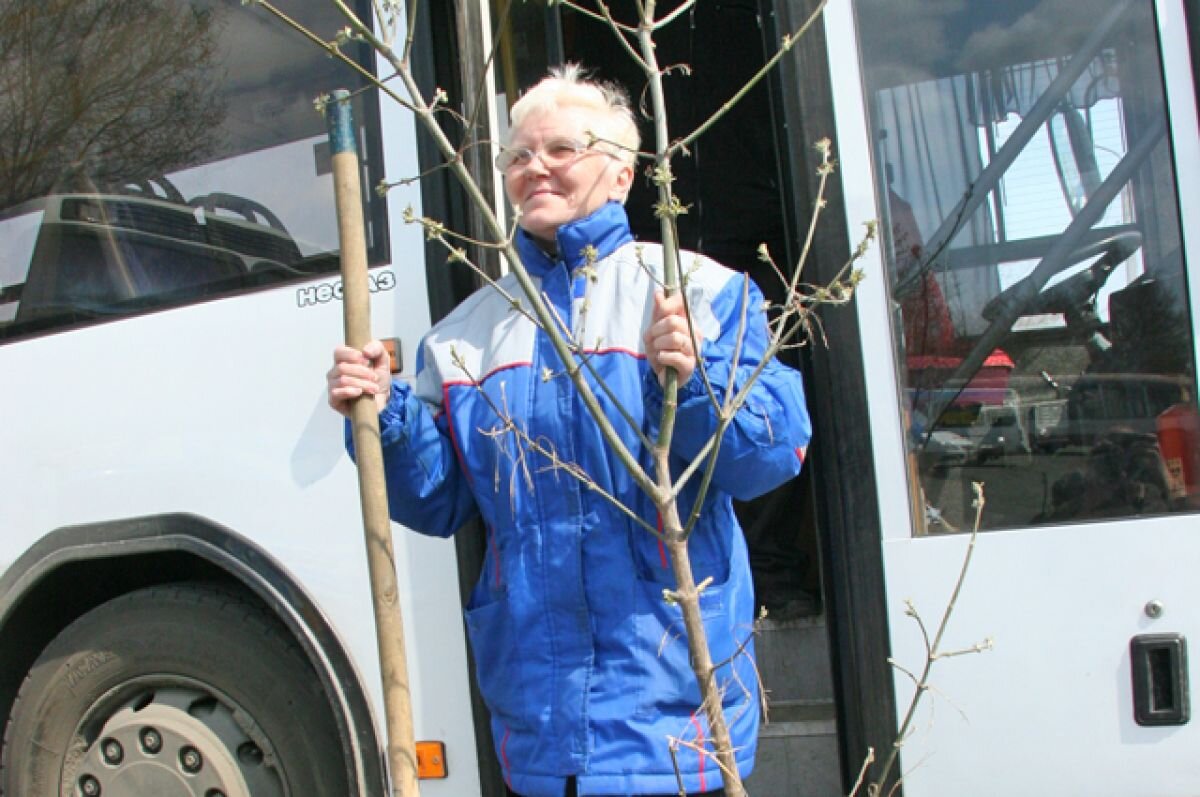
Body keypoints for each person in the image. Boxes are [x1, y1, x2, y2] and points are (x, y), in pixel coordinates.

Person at [327, 65, 811, 797]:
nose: (534, 168)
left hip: (676, 723)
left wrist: (700, 377)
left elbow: (773, 453)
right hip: (539, 728)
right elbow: (440, 499)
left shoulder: (697, 292)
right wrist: (385, 416)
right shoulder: (463, 336)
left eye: (560, 149)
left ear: (621, 176)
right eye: (518, 156)